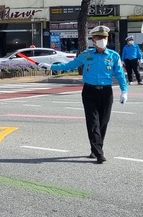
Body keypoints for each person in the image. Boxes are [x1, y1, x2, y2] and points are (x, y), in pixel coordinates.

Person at [39, 26, 129, 164]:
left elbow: (120, 74)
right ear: (93, 40)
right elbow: (70, 65)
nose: (102, 40)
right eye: (99, 38)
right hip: (89, 92)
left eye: (104, 38)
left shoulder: (113, 55)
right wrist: (51, 67)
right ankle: (99, 153)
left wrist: (124, 91)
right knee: (93, 123)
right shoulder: (87, 54)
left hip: (106, 92)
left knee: (103, 123)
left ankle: (95, 149)